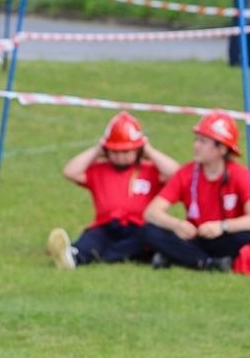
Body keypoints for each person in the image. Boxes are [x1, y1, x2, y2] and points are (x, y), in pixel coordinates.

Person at [46, 113, 180, 269]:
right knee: (91, 239)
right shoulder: (99, 170)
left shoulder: (149, 170)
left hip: (137, 226)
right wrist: (96, 150)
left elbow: (176, 174)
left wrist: (149, 151)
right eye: (114, 152)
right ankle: (73, 256)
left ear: (138, 150)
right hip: (105, 225)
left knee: (146, 239)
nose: (120, 157)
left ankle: (106, 255)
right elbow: (70, 171)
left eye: (126, 152)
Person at [142, 112, 250, 272]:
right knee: (149, 231)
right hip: (195, 237)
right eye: (196, 140)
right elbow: (151, 212)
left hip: (225, 236)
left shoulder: (241, 175)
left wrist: (222, 226)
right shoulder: (185, 173)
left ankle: (179, 258)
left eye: (203, 141)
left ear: (222, 149)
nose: (196, 146)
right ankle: (207, 262)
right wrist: (177, 225)